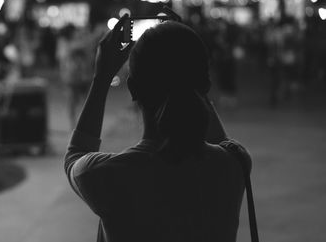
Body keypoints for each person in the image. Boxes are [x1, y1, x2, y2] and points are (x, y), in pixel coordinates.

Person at [64, 15, 251, 242]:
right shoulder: (234, 165)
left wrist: (102, 77)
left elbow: (75, 156)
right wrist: (187, 60)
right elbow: (223, 145)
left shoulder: (109, 174)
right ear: (205, 85)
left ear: (133, 89)